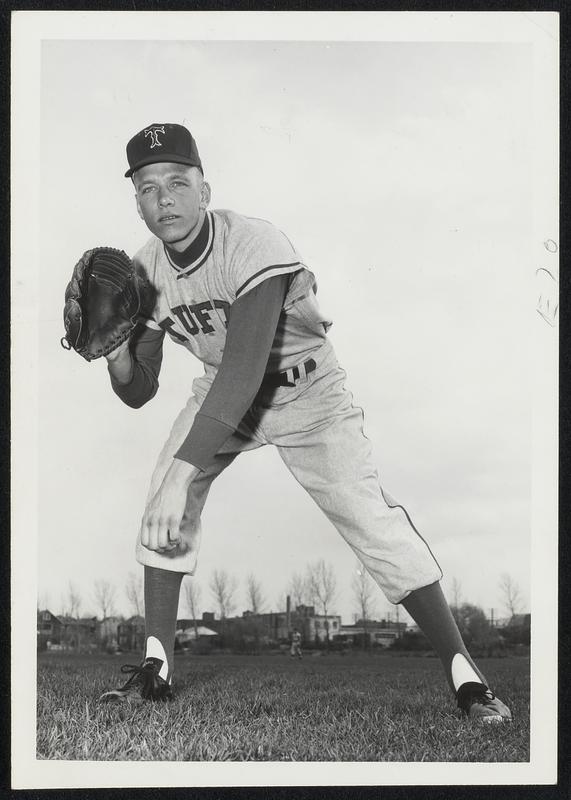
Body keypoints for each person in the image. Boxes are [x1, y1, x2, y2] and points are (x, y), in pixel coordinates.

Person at [99, 122, 511, 723]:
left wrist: (178, 475)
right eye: (147, 187)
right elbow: (141, 391)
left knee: (368, 518)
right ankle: (156, 669)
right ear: (136, 200)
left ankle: (468, 678)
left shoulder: (254, 243)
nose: (163, 199)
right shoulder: (143, 271)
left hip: (305, 384)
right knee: (162, 510)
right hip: (221, 392)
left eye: (178, 183)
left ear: (205, 189)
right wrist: (118, 357)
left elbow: (246, 370)